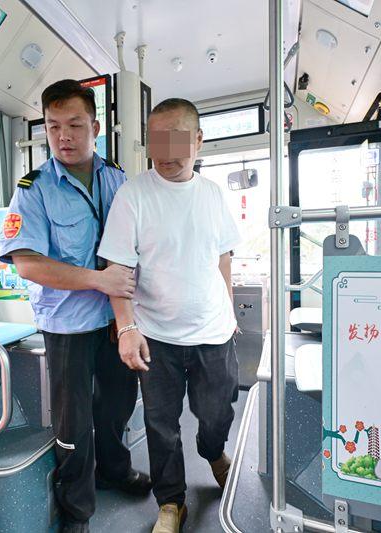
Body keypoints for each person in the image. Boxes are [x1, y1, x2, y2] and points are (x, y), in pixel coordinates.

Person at [0, 79, 151, 533]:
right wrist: (98, 280)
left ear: (95, 128)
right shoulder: (34, 189)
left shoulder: (117, 178)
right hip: (66, 325)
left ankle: (114, 470)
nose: (63, 136)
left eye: (75, 125)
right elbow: (27, 264)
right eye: (53, 126)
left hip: (115, 319)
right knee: (73, 422)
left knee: (118, 406)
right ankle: (77, 509)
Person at [98, 98, 241, 533]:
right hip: (156, 334)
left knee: (217, 413)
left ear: (198, 141)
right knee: (161, 425)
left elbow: (223, 257)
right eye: (157, 141)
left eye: (177, 140)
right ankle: (171, 502)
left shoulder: (212, 194)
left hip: (213, 332)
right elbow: (117, 269)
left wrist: (229, 307)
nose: (166, 153)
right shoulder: (133, 195)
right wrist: (126, 327)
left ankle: (212, 451)